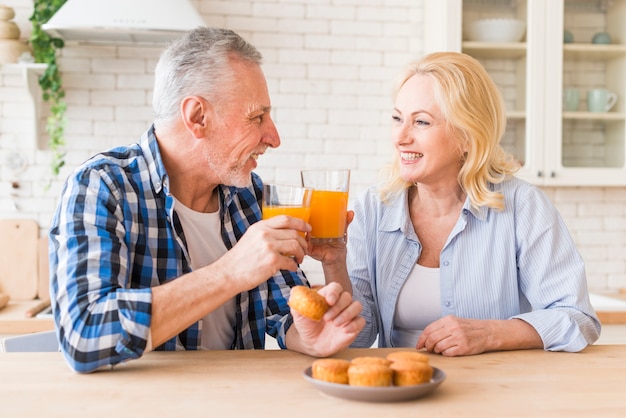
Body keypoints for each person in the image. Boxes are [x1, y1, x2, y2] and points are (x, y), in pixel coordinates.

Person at [48, 27, 364, 373]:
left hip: (237, 398)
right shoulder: (103, 186)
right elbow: (84, 335)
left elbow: (286, 312)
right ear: (198, 117)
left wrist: (307, 335)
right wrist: (229, 272)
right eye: (257, 117)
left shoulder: (250, 196)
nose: (273, 137)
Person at [342, 51, 600, 356]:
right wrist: (333, 264)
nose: (400, 137)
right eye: (397, 118)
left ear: (467, 135)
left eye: (421, 122)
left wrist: (489, 334)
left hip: (496, 390)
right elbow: (358, 335)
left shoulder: (522, 206)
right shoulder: (371, 209)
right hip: (401, 391)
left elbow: (577, 318)